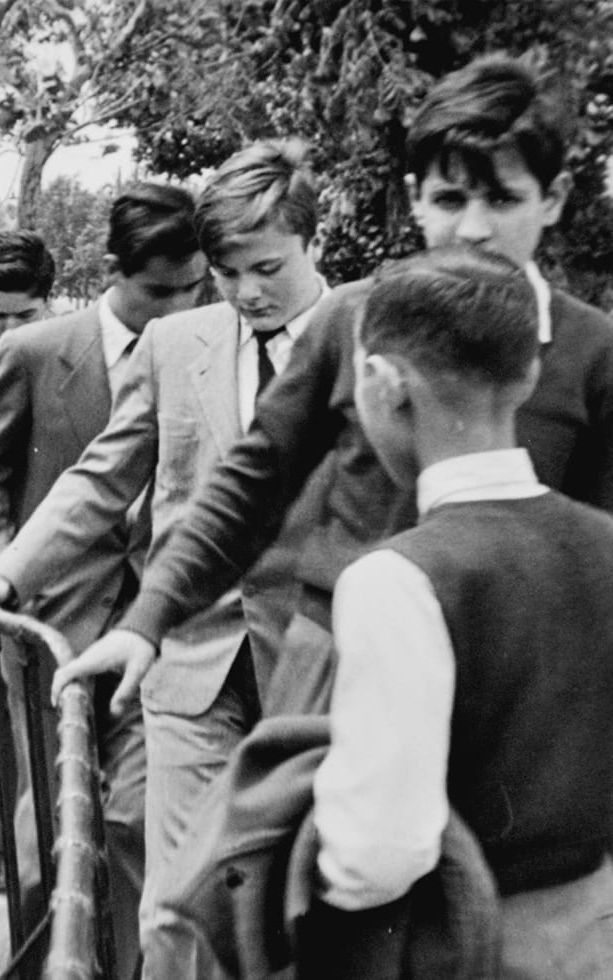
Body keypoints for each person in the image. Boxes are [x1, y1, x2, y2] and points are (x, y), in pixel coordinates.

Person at [51, 54, 613, 950]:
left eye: (502, 200)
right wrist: (148, 618)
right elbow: (251, 478)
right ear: (411, 198)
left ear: (554, 199)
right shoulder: (355, 319)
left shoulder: (589, 352)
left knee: (473, 925)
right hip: (329, 675)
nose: (471, 228)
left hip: (498, 699)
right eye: (446, 199)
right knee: (247, 921)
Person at [0, 149, 327, 958]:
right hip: (188, 659)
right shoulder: (177, 344)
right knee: (173, 901)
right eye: (229, 272)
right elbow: (101, 475)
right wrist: (1, 573)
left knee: (299, 906)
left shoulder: (361, 330)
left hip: (316, 664)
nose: (247, 293)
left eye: (268, 267)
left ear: (316, 238)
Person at [305, 247, 613, 978]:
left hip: (472, 948)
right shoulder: (607, 541)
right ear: (528, 373)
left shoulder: (397, 578)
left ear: (384, 385)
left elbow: (377, 854)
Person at [0, 203, 205, 976]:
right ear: (115, 273)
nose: (179, 307)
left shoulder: (206, 348)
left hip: (158, 626)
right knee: (48, 823)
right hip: (51, 621)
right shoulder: (37, 351)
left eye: (192, 289)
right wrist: (1, 578)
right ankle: (36, 963)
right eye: (158, 292)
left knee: (132, 819)